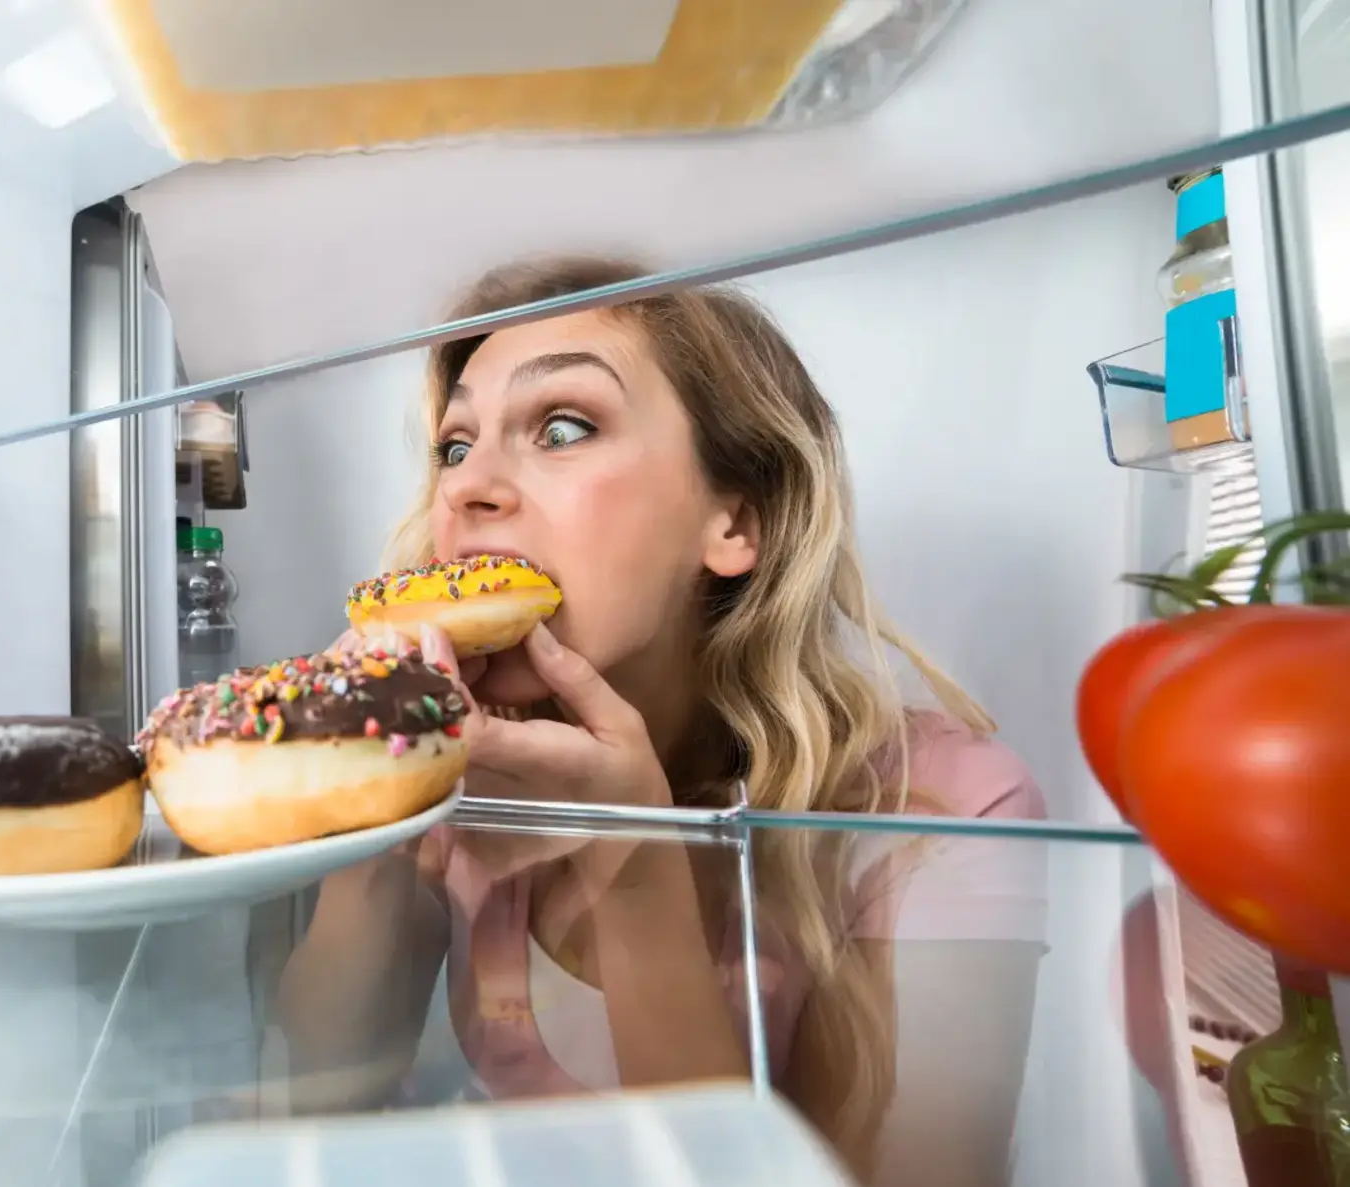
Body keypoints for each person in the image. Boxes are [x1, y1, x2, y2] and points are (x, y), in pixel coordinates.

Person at [276, 258, 1048, 1186]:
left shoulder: (947, 809)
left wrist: (634, 861)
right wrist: (371, 827)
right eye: (454, 446)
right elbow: (321, 1093)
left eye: (562, 427)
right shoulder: (470, 763)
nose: (466, 488)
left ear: (735, 519)